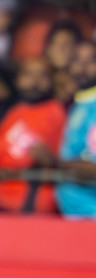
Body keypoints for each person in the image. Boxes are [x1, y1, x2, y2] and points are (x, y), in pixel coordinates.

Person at [0, 56, 66, 215]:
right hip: (0, 196)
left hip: (32, 198)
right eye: (28, 75)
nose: (35, 81)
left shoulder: (55, 111)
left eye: (42, 75)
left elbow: (45, 156)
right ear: (18, 80)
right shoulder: (15, 112)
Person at [56, 40, 96, 219]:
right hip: (72, 217)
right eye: (77, 60)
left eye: (90, 61)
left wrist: (52, 162)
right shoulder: (76, 104)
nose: (82, 68)